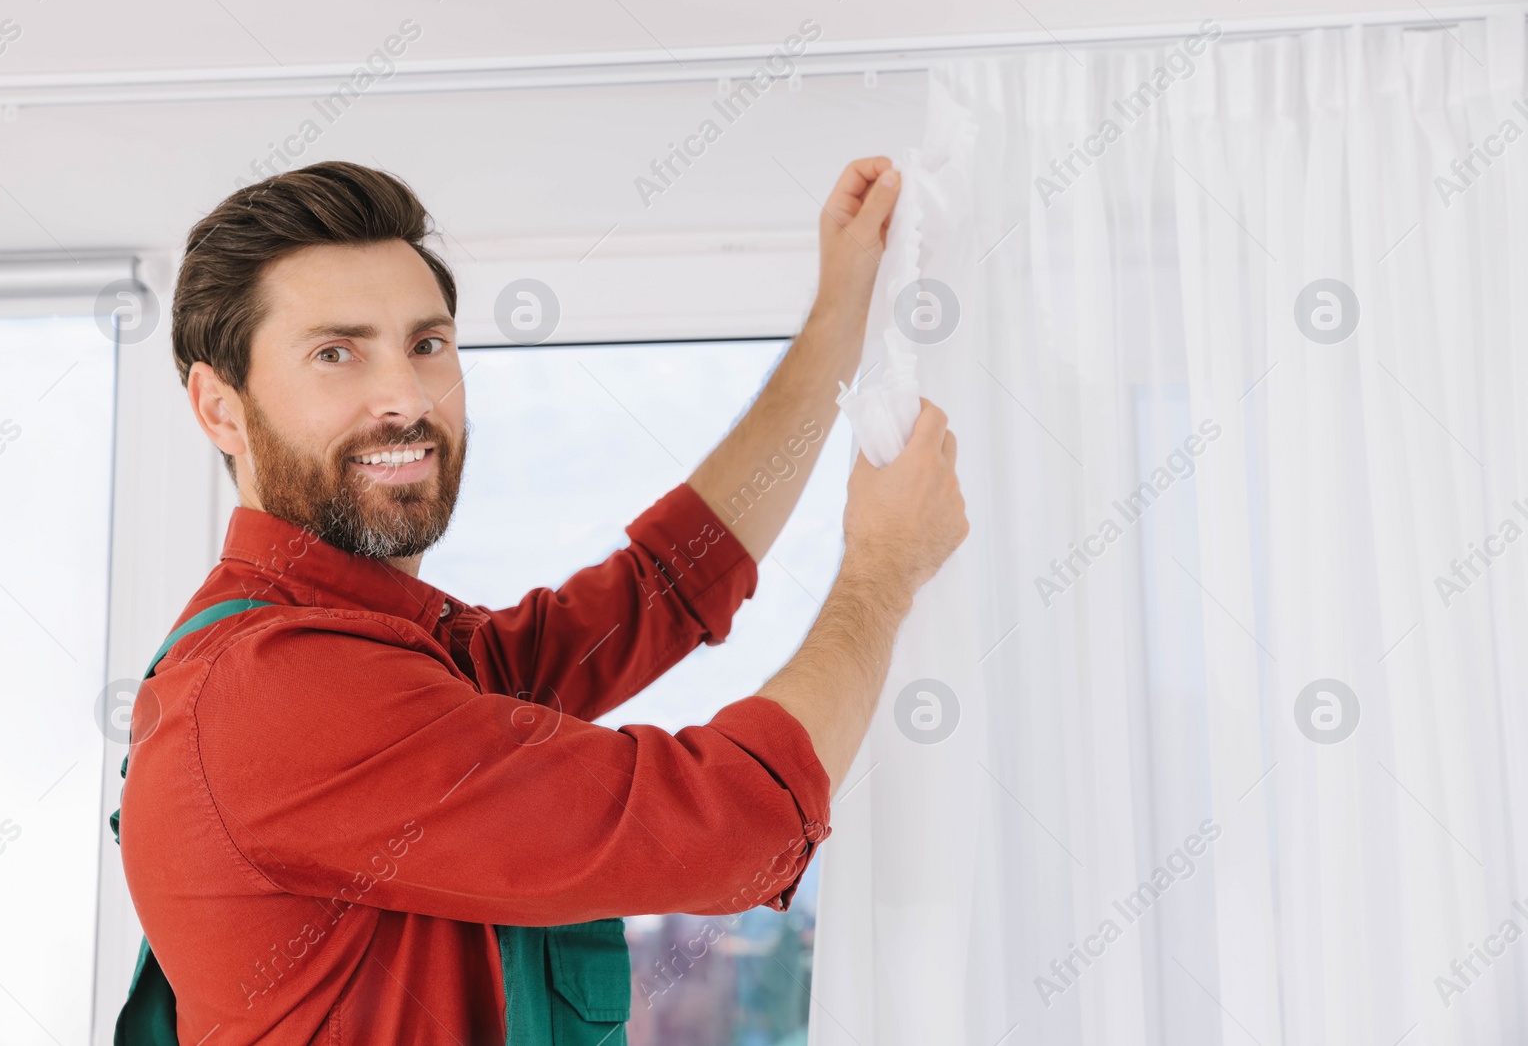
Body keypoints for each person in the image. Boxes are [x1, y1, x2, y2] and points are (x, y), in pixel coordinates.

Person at [115, 156, 967, 1045]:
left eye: (427, 343)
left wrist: (839, 319)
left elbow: (662, 588)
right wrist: (884, 566)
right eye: (337, 353)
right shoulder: (279, 691)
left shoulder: (390, 657)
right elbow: (726, 830)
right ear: (220, 409)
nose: (405, 396)